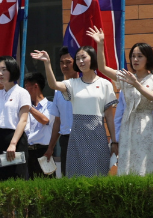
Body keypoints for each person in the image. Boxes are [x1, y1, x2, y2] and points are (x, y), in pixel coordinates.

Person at [33, 43, 116, 177]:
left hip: (97, 135)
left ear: (92, 58)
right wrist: (47, 63)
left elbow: (109, 116)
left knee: (98, 175)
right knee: (75, 176)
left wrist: (114, 141)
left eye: (83, 57)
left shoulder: (105, 84)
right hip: (76, 136)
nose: (81, 61)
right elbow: (53, 84)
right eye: (78, 58)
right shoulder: (72, 84)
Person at [89, 28, 153, 176]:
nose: (135, 59)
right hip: (128, 126)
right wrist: (100, 44)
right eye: (133, 56)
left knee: (145, 164)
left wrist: (137, 84)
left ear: (148, 59)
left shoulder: (150, 79)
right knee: (127, 164)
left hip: (147, 126)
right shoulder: (126, 77)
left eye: (140, 56)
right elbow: (102, 68)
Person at [43, 48, 75, 176]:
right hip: (66, 139)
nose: (64, 66)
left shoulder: (86, 85)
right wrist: (51, 147)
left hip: (84, 138)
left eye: (68, 62)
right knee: (68, 177)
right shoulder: (58, 90)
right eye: (62, 62)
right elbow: (57, 121)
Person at [23, 73, 57, 177]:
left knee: (47, 185)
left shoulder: (51, 105)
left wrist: (29, 107)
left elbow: (45, 120)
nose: (25, 90)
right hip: (27, 151)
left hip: (44, 151)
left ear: (35, 86)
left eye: (27, 86)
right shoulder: (24, 108)